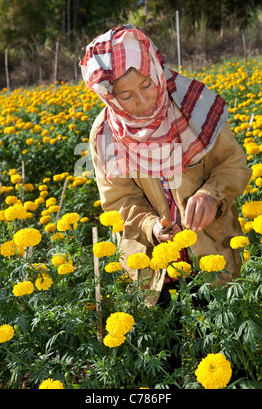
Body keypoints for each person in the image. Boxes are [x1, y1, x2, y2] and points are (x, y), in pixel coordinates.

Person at [80, 24, 252, 306]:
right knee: (164, 342)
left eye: (147, 84)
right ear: (109, 97)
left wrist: (211, 195)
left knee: (216, 336)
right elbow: (119, 199)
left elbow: (233, 164)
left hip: (211, 247)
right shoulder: (105, 134)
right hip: (154, 263)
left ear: (157, 69)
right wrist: (150, 226)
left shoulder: (193, 105)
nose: (143, 99)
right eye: (126, 96)